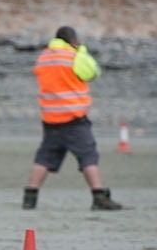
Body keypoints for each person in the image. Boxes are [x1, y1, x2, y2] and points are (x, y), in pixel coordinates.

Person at [22, 26, 123, 211]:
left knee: (44, 157)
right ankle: (98, 195)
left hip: (50, 116)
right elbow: (92, 73)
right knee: (88, 156)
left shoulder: (44, 57)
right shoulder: (74, 56)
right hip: (73, 117)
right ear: (73, 40)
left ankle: (30, 196)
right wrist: (81, 51)